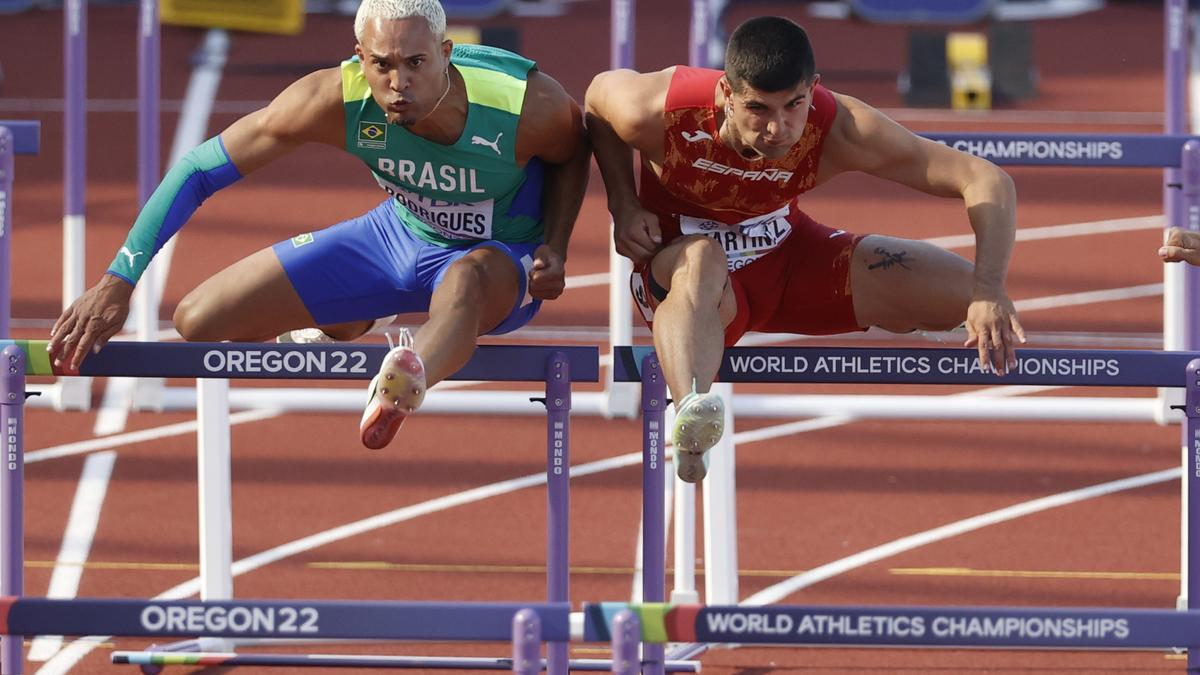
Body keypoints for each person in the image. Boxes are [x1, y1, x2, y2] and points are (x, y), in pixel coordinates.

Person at [47, 0, 589, 449]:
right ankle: (357, 316)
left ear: (446, 54)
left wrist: (556, 247)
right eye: (382, 65)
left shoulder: (523, 103)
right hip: (397, 235)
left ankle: (402, 383)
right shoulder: (333, 98)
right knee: (199, 320)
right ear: (359, 59)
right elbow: (196, 171)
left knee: (465, 281)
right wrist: (120, 280)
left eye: (416, 64)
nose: (399, 83)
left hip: (497, 257)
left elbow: (573, 153)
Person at [584, 16, 1024, 483]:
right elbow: (596, 98)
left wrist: (988, 290)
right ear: (726, 94)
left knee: (964, 291)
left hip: (789, 257)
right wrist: (624, 204)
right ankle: (692, 411)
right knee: (702, 258)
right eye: (758, 108)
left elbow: (985, 178)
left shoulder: (840, 128)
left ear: (813, 87)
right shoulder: (661, 111)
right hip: (693, 278)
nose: (779, 128)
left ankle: (910, 316)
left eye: (794, 104)